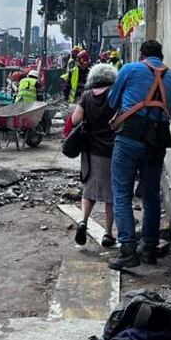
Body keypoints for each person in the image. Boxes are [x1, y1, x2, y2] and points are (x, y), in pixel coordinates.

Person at [107, 39, 171, 270]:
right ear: (161, 57)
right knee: (151, 195)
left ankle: (128, 249)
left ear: (142, 56)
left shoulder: (130, 69)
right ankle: (148, 248)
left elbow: (112, 101)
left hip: (130, 135)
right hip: (158, 140)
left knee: (122, 193)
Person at [69, 63, 118, 248]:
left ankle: (83, 221)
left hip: (90, 152)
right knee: (110, 195)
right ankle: (108, 233)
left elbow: (75, 119)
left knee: (89, 189)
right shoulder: (114, 95)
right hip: (111, 150)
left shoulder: (87, 96)